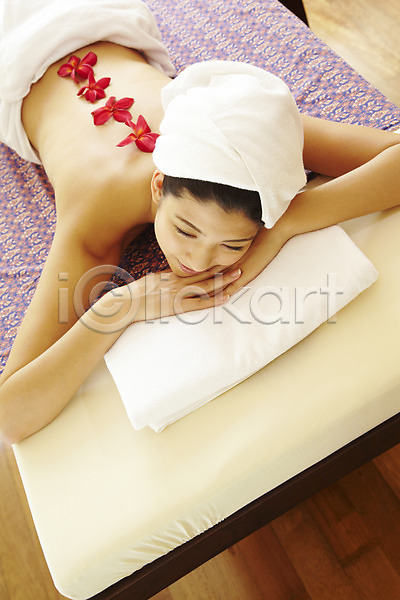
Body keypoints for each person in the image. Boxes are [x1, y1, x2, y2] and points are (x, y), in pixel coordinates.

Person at [0, 2, 400, 445]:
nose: (198, 260)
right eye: (185, 229)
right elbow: (10, 416)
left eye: (233, 245)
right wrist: (123, 305)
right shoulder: (95, 213)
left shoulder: (246, 136)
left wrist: (289, 221)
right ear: (159, 186)